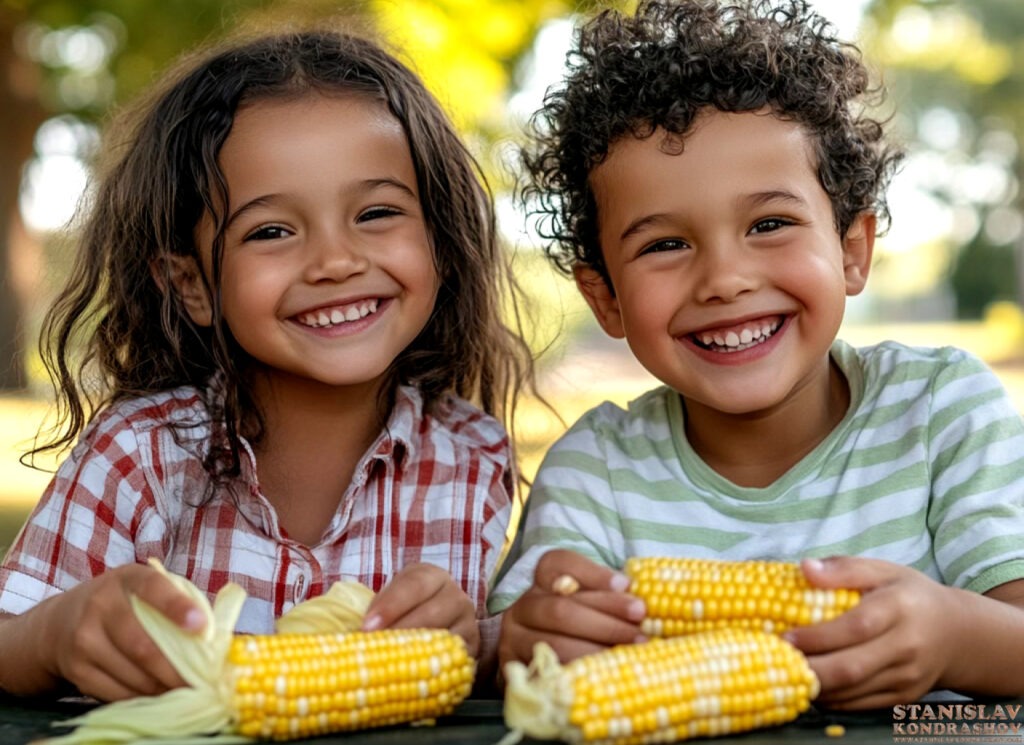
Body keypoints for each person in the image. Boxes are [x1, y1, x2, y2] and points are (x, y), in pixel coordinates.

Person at [490, 0, 1024, 709]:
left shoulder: (941, 411)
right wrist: (529, 641)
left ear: (851, 251)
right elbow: (523, 652)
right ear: (606, 299)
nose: (725, 280)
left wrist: (956, 636)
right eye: (665, 244)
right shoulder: (599, 471)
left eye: (769, 223)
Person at [0, 26, 535, 701]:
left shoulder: (472, 460)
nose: (336, 261)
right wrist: (53, 635)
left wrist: (475, 645)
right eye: (272, 231)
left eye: (375, 213)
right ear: (190, 282)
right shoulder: (139, 454)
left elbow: (487, 657)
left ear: (441, 242)